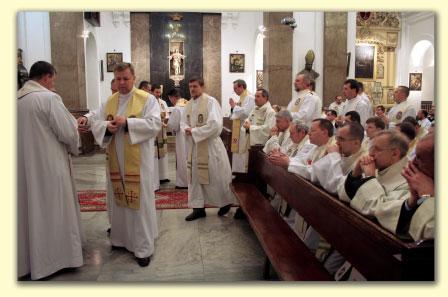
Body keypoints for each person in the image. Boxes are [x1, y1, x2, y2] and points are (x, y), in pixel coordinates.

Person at [90, 62, 162, 267]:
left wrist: (129, 123)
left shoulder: (147, 99)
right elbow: (98, 122)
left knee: (140, 203)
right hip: (115, 161)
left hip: (138, 162)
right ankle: (120, 239)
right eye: (118, 78)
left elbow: (155, 124)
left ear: (133, 78)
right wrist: (107, 127)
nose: (121, 83)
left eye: (125, 78)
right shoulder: (110, 101)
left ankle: (143, 248)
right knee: (118, 200)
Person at [18, 61, 83, 280]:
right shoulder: (49, 99)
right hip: (49, 166)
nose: (53, 83)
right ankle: (56, 259)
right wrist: (76, 142)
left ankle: (27, 262)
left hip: (22, 169)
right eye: (53, 79)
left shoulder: (15, 101)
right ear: (46, 77)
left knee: (27, 210)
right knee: (53, 210)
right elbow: (69, 132)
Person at [180, 78, 234, 221]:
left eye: (195, 86)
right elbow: (182, 122)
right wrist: (186, 129)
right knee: (195, 177)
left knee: (216, 175)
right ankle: (198, 208)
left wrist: (195, 132)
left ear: (202, 87)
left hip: (210, 147)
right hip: (195, 146)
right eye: (190, 86)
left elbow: (215, 125)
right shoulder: (189, 104)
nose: (192, 89)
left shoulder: (210, 102)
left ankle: (224, 203)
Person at [375, 132, 434, 241]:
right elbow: (380, 209)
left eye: (420, 158)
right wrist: (413, 201)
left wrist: (429, 197)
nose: (413, 162)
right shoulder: (426, 182)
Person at [339, 130, 410, 217]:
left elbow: (381, 213)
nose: (371, 153)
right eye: (371, 148)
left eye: (377, 149)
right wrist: (355, 174)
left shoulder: (407, 181)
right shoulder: (377, 165)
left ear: (395, 154)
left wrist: (370, 177)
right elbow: (345, 197)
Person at [232, 88, 276, 173]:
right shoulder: (255, 109)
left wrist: (250, 127)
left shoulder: (270, 112)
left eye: (258, 96)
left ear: (265, 98)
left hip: (260, 146)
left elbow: (268, 129)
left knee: (256, 171)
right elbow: (248, 120)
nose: (255, 98)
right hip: (250, 142)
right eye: (255, 96)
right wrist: (245, 125)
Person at [229, 79, 255, 173]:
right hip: (239, 130)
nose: (235, 91)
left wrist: (234, 107)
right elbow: (238, 113)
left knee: (242, 152)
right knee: (238, 151)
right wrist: (234, 108)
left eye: (235, 88)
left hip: (244, 130)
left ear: (241, 87)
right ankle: (236, 171)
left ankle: (242, 173)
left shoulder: (250, 97)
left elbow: (246, 113)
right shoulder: (242, 98)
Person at [166, 88, 189, 189]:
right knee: (189, 158)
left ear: (173, 97)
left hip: (181, 137)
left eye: (170, 99)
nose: (171, 101)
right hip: (191, 134)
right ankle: (191, 182)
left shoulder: (177, 108)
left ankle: (183, 183)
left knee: (182, 158)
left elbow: (173, 125)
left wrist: (171, 129)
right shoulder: (189, 104)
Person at [152, 84, 170, 186]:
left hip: (162, 131)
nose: (158, 94)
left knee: (163, 154)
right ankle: (156, 177)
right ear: (152, 92)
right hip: (154, 132)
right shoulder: (150, 102)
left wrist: (166, 118)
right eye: (156, 92)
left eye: (159, 92)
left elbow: (167, 113)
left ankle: (163, 176)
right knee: (155, 154)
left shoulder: (163, 103)